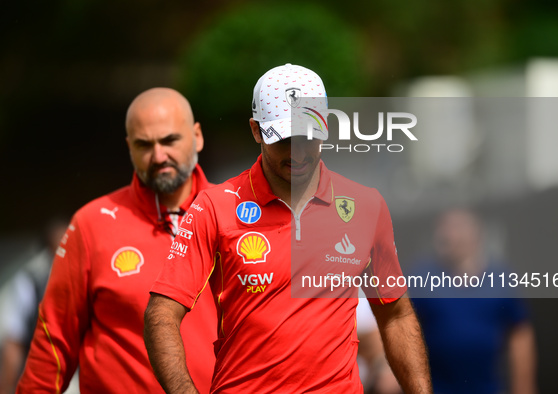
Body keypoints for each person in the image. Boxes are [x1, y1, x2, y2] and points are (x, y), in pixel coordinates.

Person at [144, 64, 432, 393]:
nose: (298, 150)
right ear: (256, 130)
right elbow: (161, 314)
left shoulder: (366, 206)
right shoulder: (214, 206)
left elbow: (395, 314)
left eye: (308, 135)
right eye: (284, 138)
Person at [16, 88, 217, 393]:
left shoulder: (236, 217)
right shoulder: (92, 224)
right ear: (129, 148)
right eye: (144, 144)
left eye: (169, 140)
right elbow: (53, 343)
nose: (159, 155)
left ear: (197, 136)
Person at [411, 208, 537, 394]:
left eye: (458, 228)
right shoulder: (421, 276)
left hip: (488, 388)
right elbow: (397, 326)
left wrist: (524, 388)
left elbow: (520, 333)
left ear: (476, 234)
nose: (450, 234)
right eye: (445, 228)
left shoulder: (501, 277)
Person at [0, 218, 68, 394]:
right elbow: (14, 342)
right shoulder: (30, 282)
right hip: (42, 377)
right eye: (59, 245)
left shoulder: (88, 278)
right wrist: (7, 387)